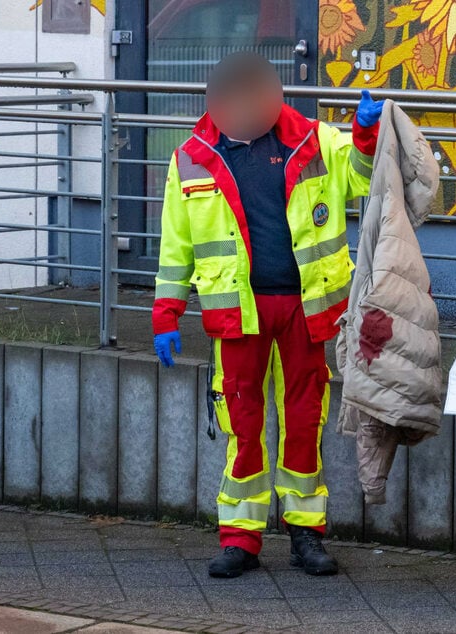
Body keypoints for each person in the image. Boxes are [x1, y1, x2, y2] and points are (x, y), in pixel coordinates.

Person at [152, 52, 384, 578]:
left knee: (305, 420)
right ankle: (241, 538)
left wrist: (366, 136)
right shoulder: (191, 157)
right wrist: (166, 313)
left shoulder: (315, 139)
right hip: (237, 314)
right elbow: (176, 246)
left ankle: (306, 533)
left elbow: (363, 177)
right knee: (243, 425)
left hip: (307, 308)